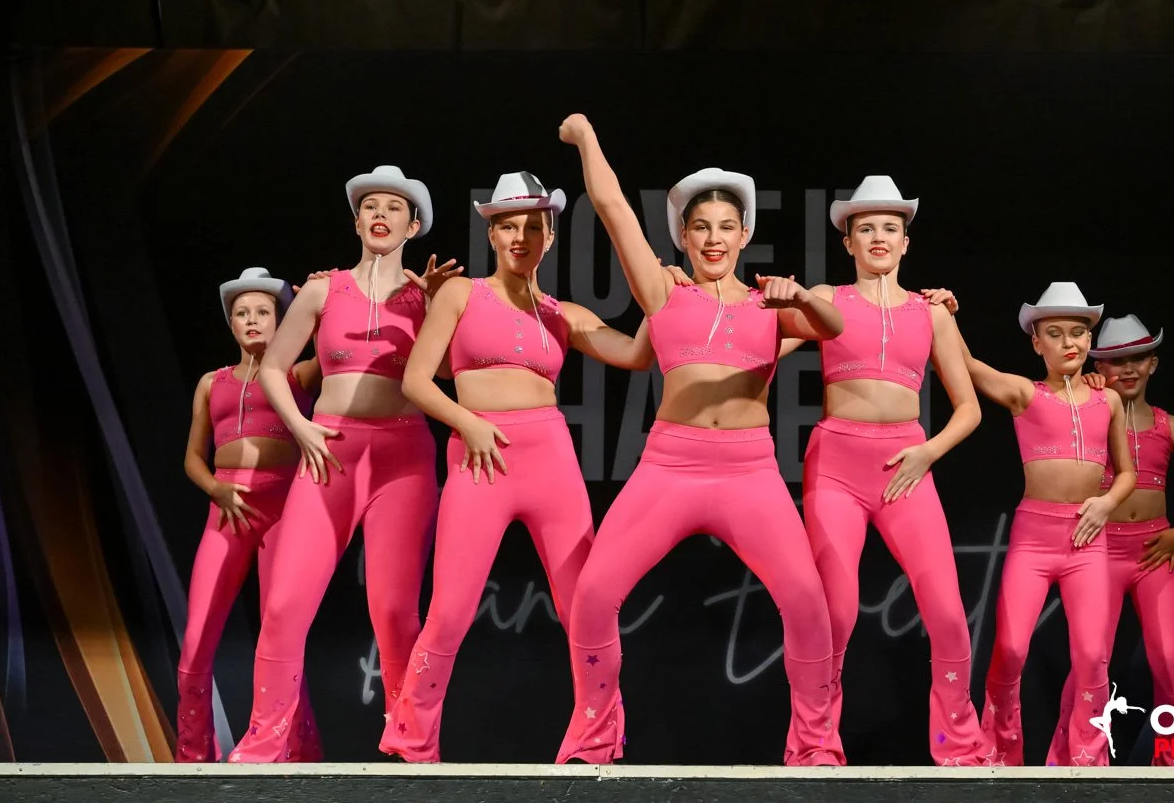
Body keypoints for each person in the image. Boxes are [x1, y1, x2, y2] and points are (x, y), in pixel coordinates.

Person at [552, 114, 845, 766]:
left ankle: (816, 745)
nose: (714, 238)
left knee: (807, 602)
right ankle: (595, 736)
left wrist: (800, 297)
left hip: (750, 473)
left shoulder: (771, 304)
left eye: (726, 227)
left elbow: (834, 326)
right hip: (670, 466)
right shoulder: (663, 292)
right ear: (683, 236)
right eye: (701, 227)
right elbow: (613, 209)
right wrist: (589, 138)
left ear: (745, 234)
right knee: (593, 594)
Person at [378, 171, 659, 762]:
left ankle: (598, 739)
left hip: (549, 457)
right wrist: (468, 422)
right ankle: (412, 741)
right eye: (508, 226)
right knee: (450, 608)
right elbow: (416, 381)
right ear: (492, 233)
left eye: (533, 227)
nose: (520, 237)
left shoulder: (563, 314)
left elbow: (637, 355)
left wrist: (665, 295)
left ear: (549, 237)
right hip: (479, 456)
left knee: (584, 603)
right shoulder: (461, 294)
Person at [229, 166, 460, 762]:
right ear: (357, 222)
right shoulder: (322, 289)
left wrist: (438, 305)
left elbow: (446, 373)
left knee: (394, 610)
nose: (381, 215)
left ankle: (412, 743)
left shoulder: (425, 296)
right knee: (285, 603)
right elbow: (274, 367)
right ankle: (265, 742)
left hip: (403, 457)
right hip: (330, 453)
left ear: (414, 226)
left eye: (394, 207)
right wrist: (302, 426)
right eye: (371, 206)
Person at [782, 176, 988, 765]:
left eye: (890, 228)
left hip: (907, 465)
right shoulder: (829, 298)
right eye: (866, 228)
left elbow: (970, 408)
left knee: (947, 612)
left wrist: (927, 452)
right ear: (848, 242)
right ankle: (815, 743)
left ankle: (960, 746)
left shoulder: (932, 312)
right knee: (836, 610)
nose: (878, 237)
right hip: (837, 463)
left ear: (905, 242)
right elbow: (759, 343)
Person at [959, 282, 1137, 766]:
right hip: (1034, 538)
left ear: (1090, 339)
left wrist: (1106, 503)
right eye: (1054, 334)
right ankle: (1000, 750)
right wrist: (945, 314)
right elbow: (969, 366)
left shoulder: (1108, 400)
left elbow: (1126, 473)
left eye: (1077, 332)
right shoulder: (1025, 394)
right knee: (1012, 648)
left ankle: (1086, 757)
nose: (1068, 342)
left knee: (1092, 655)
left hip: (1088, 539)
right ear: (1037, 344)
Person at [1045, 314, 1174, 767]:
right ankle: (1073, 761)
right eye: (1115, 361)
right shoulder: (1089, 413)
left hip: (1153, 556)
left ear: (1153, 365)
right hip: (1100, 553)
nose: (1127, 369)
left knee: (1168, 658)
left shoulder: (1171, 427)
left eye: (1138, 359)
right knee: (1092, 659)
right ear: (1099, 367)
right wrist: (1083, 390)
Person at [176, 268, 322, 762]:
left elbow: (334, 351)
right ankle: (193, 757)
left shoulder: (297, 374)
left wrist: (318, 302)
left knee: (280, 638)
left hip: (285, 510)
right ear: (231, 323)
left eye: (263, 312)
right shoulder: (210, 383)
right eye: (242, 313)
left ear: (281, 322)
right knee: (196, 639)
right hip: (227, 510)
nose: (252, 320)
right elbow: (192, 458)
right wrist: (217, 488)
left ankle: (292, 755)